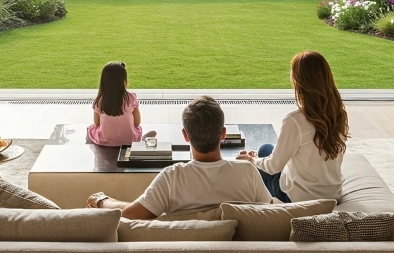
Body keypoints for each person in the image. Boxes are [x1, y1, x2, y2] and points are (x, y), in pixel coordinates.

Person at [86, 95, 272, 219]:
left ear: (185, 135)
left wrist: (102, 200)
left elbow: (129, 214)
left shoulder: (171, 177)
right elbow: (276, 212)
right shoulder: (248, 172)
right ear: (223, 134)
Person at [236, 51, 348, 203]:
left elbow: (273, 167)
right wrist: (257, 156)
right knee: (265, 149)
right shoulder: (339, 114)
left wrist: (253, 161)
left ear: (299, 82)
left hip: (300, 197)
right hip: (332, 195)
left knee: (258, 164)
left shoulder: (295, 121)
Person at [87, 61, 154, 146]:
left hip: (105, 141)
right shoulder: (131, 98)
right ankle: (144, 139)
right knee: (137, 129)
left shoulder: (100, 100)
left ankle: (90, 143)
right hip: (129, 141)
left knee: (91, 129)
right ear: (124, 81)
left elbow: (97, 123)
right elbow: (137, 122)